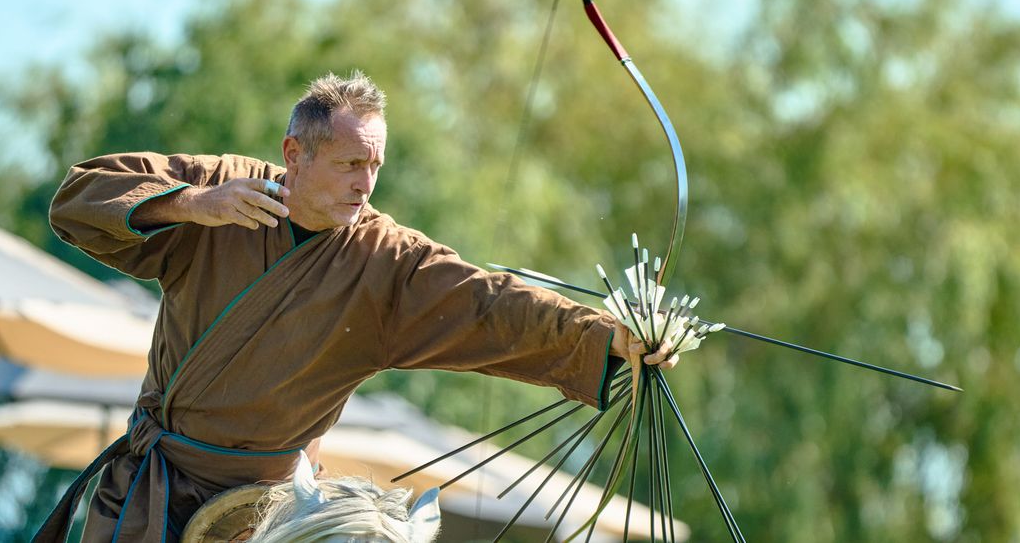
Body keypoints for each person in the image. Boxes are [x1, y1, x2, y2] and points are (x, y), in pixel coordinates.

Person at [35, 71, 675, 542]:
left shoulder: (386, 260)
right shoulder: (222, 189)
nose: (365, 184)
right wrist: (189, 206)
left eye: (375, 165)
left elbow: (488, 302)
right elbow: (79, 196)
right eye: (348, 163)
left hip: (276, 511)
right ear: (295, 155)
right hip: (152, 490)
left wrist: (608, 335)